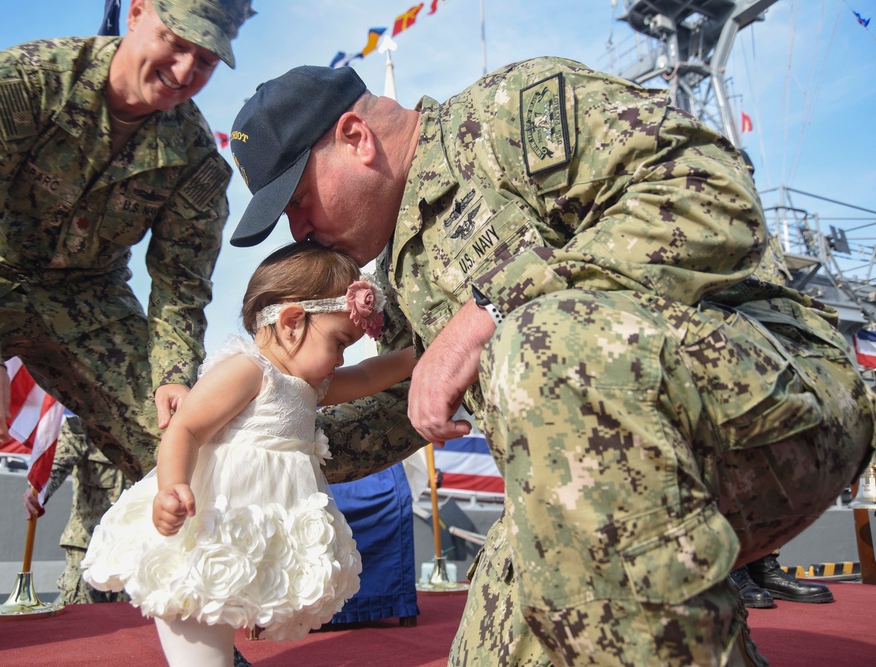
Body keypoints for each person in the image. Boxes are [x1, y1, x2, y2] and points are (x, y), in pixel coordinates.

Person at [226, 61, 876, 666]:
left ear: (355, 137)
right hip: (596, 470)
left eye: (298, 200)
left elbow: (713, 191)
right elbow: (419, 408)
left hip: (766, 410)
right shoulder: (399, 271)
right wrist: (269, 444)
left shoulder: (503, 117)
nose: (297, 230)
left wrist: (490, 305)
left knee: (535, 334)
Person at [0, 0, 256, 627]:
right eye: (173, 40)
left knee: (188, 444)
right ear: (136, 13)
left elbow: (181, 287)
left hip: (88, 298)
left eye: (207, 59)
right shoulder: (23, 82)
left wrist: (172, 376)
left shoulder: (195, 160)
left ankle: (201, 629)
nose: (185, 69)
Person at [81, 242, 417, 667]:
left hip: (247, 537)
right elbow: (186, 427)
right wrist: (171, 487)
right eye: (338, 342)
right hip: (205, 533)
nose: (341, 357)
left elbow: (369, 375)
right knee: (199, 640)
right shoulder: (249, 370)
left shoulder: (308, 384)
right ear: (293, 322)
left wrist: (422, 354)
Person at [22, 413, 131, 605]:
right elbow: (56, 465)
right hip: (86, 545)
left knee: (130, 624)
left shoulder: (147, 430)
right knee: (81, 617)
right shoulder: (82, 425)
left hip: (132, 548)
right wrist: (40, 491)